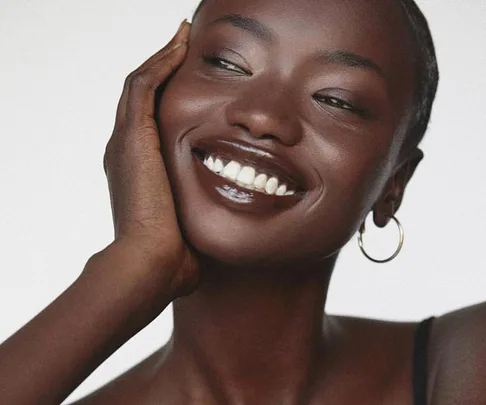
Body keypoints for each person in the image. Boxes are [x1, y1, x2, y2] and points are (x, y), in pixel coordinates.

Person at [1, 0, 483, 404]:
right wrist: (133, 263)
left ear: (394, 182)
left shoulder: (462, 364)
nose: (262, 115)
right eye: (228, 63)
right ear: (149, 102)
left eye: (335, 99)